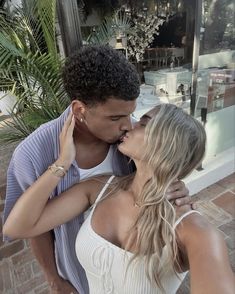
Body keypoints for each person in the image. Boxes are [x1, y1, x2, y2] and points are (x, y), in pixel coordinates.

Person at [3, 46, 190, 294]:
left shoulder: (131, 142)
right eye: (115, 118)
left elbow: (153, 180)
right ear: (80, 110)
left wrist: (176, 187)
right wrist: (54, 280)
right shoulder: (32, 154)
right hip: (78, 272)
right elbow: (33, 228)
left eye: (131, 114)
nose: (128, 125)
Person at [3, 104, 234, 294]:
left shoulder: (192, 229)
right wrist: (63, 163)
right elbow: (18, 227)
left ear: (165, 143)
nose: (129, 126)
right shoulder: (101, 187)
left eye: (142, 123)